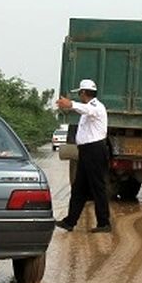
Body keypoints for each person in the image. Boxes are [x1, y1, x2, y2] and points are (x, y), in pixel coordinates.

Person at [55, 79, 111, 234]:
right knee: (78, 188)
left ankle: (104, 223)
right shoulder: (87, 108)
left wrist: (70, 104)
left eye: (80, 93)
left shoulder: (96, 107)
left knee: (98, 187)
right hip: (86, 152)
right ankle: (70, 221)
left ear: (84, 93)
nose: (79, 95)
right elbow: (83, 110)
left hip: (95, 151)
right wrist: (71, 106)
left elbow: (86, 110)